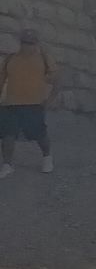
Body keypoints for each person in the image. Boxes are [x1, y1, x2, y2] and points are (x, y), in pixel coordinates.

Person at [0, 28, 56, 178]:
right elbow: (1, 81)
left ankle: (47, 158)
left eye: (31, 43)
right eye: (25, 42)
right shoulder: (10, 59)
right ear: (20, 42)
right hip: (11, 104)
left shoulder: (44, 59)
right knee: (7, 134)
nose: (27, 46)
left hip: (34, 103)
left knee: (39, 133)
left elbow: (57, 80)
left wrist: (50, 100)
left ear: (36, 43)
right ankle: (7, 165)